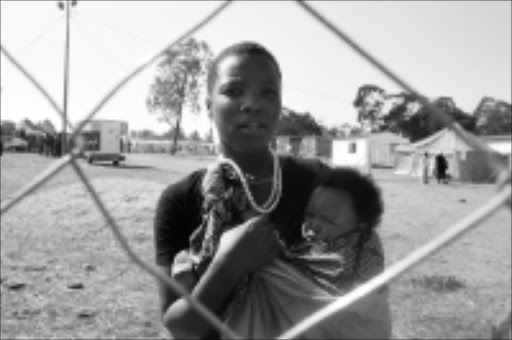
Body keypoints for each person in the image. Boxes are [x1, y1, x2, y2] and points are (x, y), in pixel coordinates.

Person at [154, 41, 329, 339]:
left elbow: (357, 284)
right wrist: (229, 264)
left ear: (279, 104)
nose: (253, 104)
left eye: (268, 92)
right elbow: (180, 326)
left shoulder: (317, 181)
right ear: (209, 105)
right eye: (233, 91)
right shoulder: (180, 200)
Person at [221, 167, 391, 339]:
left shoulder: (362, 253)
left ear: (359, 229)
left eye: (327, 220)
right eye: (310, 215)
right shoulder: (304, 253)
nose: (313, 225)